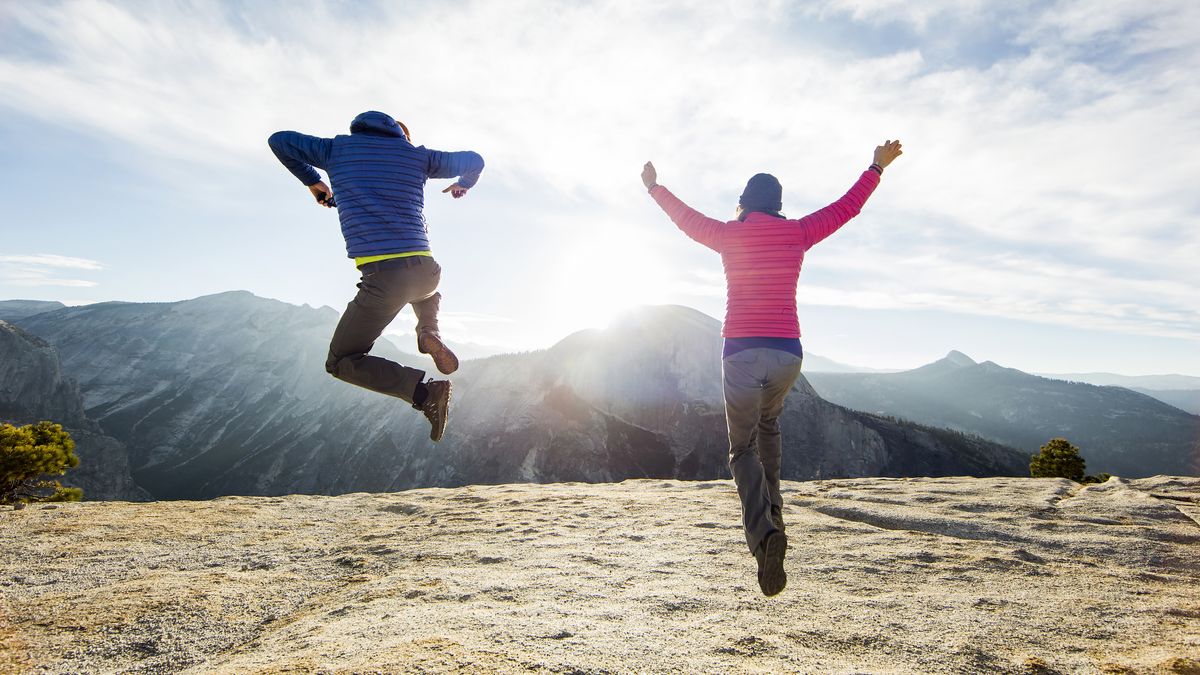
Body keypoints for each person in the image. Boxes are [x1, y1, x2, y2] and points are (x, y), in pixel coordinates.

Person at [641, 140, 903, 596]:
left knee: (741, 450)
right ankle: (775, 519)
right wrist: (876, 167)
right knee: (769, 428)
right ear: (779, 207)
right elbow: (846, 208)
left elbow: (686, 220)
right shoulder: (798, 232)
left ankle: (765, 538)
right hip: (787, 353)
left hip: (741, 351)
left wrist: (654, 188)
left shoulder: (727, 233)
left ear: (743, 204)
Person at [268, 111, 484, 442]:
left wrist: (313, 181)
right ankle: (429, 331)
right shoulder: (417, 156)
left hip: (385, 279)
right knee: (425, 292)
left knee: (341, 361)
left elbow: (279, 140)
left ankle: (425, 394)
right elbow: (474, 160)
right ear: (400, 136)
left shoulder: (335, 150)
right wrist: (462, 185)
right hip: (428, 271)